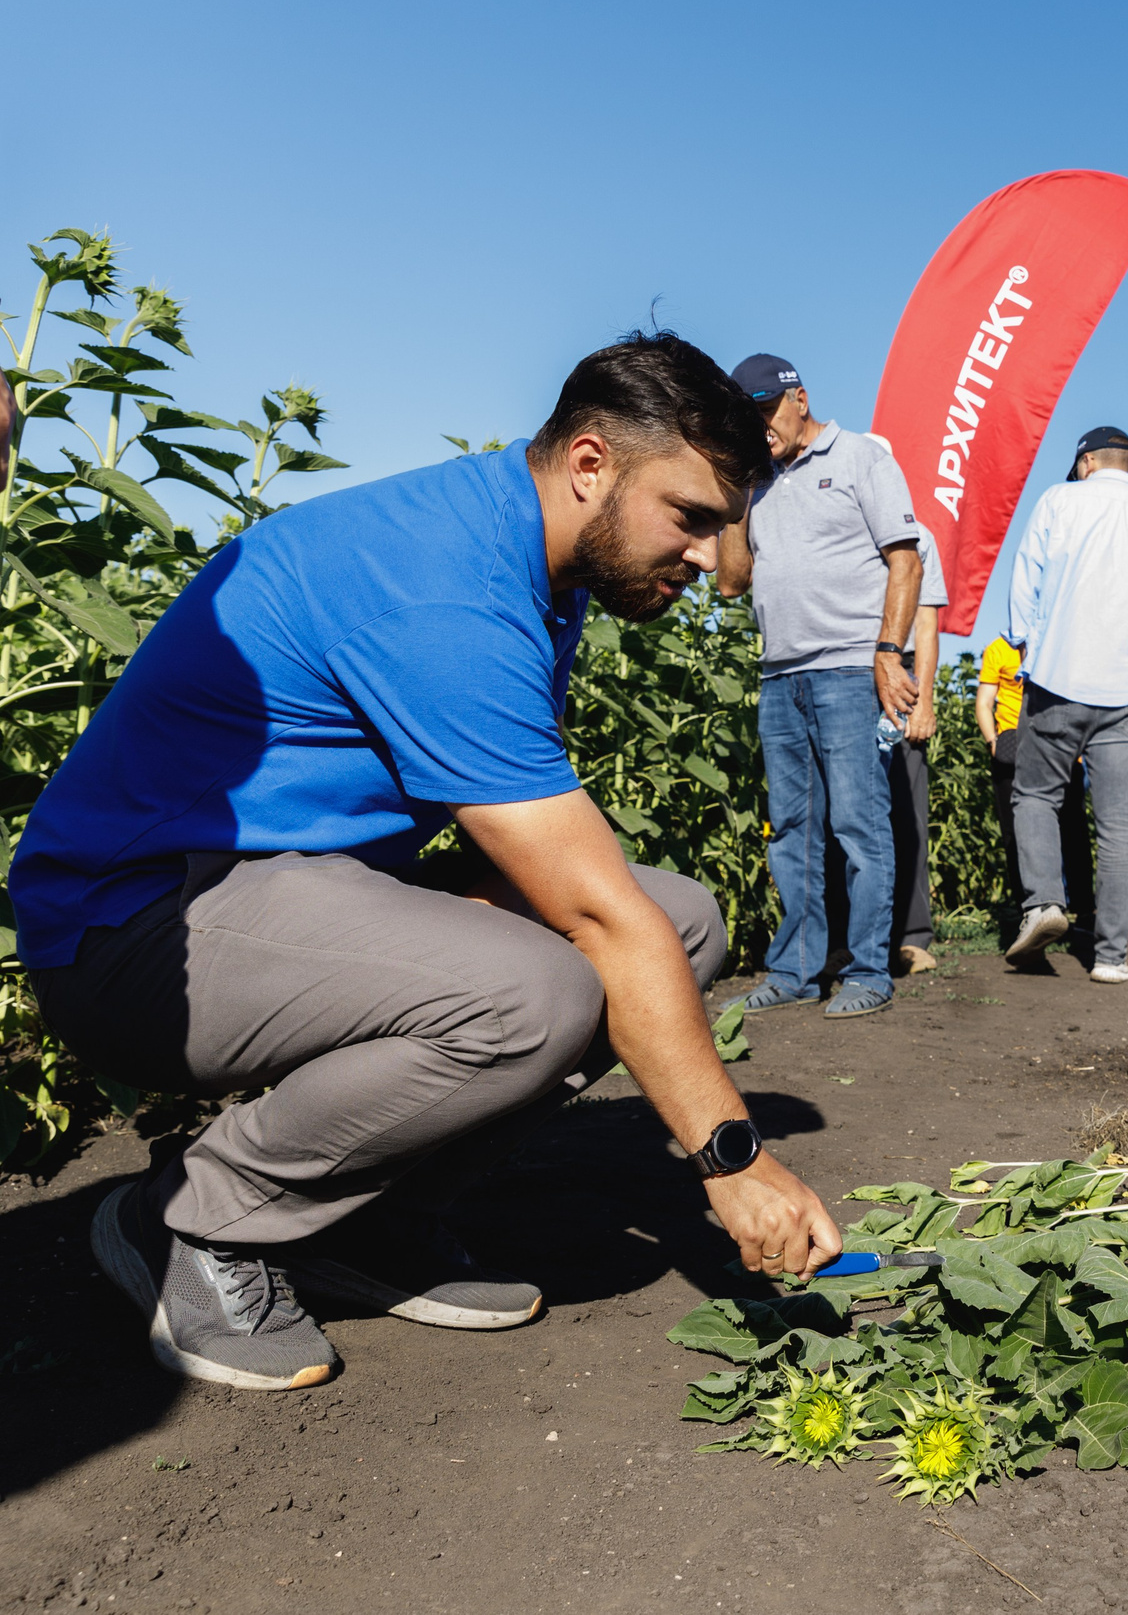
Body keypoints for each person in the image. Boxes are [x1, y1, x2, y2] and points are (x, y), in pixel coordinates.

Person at [14, 333, 842, 1390]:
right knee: (543, 984)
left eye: (724, 525)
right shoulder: (442, 584)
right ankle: (196, 1219)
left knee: (674, 923)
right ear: (589, 464)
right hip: (132, 931)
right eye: (691, 518)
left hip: (292, 885)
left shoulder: (530, 549)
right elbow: (588, 918)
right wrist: (733, 1158)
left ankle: (356, 1224)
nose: (705, 554)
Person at [715, 354, 922, 1020]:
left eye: (764, 411)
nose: (757, 425)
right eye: (743, 416)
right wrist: (738, 498)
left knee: (858, 825)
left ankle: (868, 970)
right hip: (781, 675)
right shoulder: (758, 483)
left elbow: (906, 560)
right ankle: (797, 969)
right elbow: (730, 580)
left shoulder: (860, 458)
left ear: (799, 398)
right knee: (793, 830)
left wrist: (888, 653)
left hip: (846, 669)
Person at [1002, 427, 1128, 985]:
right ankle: (1111, 956)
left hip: (1059, 678)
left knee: (1035, 794)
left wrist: (1025, 642)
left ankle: (1044, 904)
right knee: (1119, 825)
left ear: (1085, 463)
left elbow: (1025, 579)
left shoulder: (1057, 501)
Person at [976, 634, 1091, 937]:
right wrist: (994, 742)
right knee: (1016, 834)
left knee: (1074, 830)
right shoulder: (998, 650)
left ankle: (1084, 912)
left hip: (1060, 748)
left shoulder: (1060, 641)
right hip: (1011, 750)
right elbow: (985, 701)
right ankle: (1030, 911)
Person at [884, 524, 947, 975]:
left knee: (907, 809)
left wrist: (923, 700)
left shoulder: (916, 534)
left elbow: (926, 623)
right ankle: (842, 937)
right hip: (842, 666)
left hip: (901, 673)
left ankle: (911, 935)